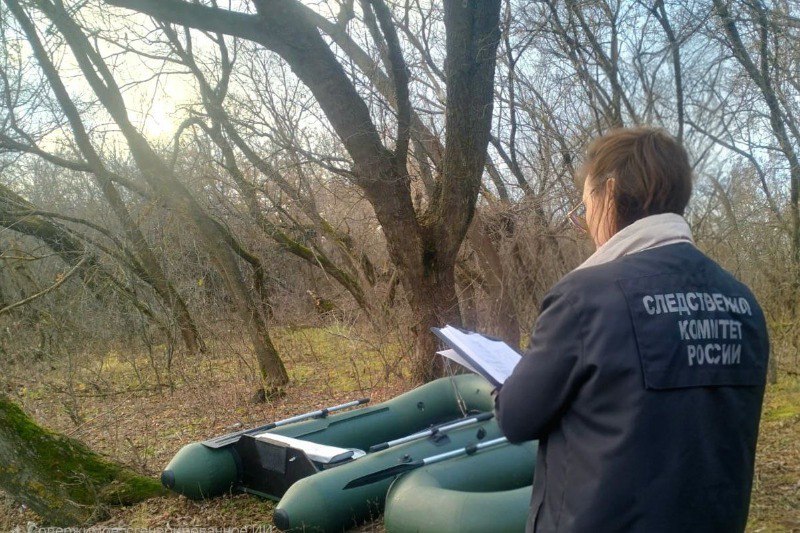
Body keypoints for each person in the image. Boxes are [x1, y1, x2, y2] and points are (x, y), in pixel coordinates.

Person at [494, 127, 769, 533]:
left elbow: (516, 419)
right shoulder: (743, 302)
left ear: (609, 192)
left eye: (585, 207)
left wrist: (503, 385)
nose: (585, 224)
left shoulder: (583, 298)